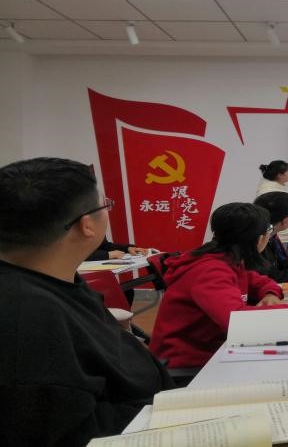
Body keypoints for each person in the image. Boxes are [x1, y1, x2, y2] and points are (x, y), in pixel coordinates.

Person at [0, 157, 172, 446]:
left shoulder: (54, 284)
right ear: (86, 225)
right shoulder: (28, 317)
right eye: (105, 205)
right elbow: (67, 432)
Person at [149, 202, 288, 369]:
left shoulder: (228, 259)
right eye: (268, 230)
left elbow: (259, 281)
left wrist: (270, 294)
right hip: (189, 362)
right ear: (258, 238)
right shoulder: (210, 271)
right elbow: (237, 320)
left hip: (218, 348)